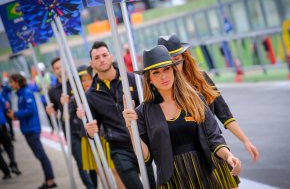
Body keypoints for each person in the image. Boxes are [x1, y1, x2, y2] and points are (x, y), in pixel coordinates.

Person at [122, 45, 241, 188]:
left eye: (166, 69)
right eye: (156, 73)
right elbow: (146, 157)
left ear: (173, 70)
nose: (163, 76)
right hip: (173, 179)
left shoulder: (194, 98)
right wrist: (130, 125)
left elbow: (213, 136)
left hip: (207, 169)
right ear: (149, 79)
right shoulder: (143, 112)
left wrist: (229, 156)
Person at [159, 34, 260, 187]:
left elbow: (223, 112)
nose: (175, 66)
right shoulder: (162, 89)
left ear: (185, 57)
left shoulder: (201, 78)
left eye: (177, 60)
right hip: (183, 159)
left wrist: (245, 140)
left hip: (214, 148)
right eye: (169, 63)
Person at [78, 41, 156, 189]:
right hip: (119, 149)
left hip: (142, 143)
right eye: (97, 57)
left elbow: (149, 108)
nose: (101, 59)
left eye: (104, 55)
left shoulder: (131, 79)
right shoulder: (91, 95)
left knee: (153, 185)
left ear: (111, 57)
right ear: (91, 63)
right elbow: (92, 125)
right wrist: (90, 131)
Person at [6, 73, 57, 189]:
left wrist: (16, 114)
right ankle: (48, 179)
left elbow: (30, 110)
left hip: (32, 129)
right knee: (39, 155)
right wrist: (16, 116)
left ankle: (50, 180)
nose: (10, 85)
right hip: (28, 129)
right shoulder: (21, 93)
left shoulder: (26, 93)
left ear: (17, 82)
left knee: (41, 155)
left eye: (11, 82)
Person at [59, 65, 98, 189]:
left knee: (95, 166)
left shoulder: (98, 92)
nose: (86, 82)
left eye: (88, 79)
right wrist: (64, 105)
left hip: (96, 134)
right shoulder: (75, 98)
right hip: (80, 135)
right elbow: (66, 119)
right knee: (85, 164)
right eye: (83, 80)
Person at [46, 57, 72, 135]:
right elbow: (55, 113)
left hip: (84, 121)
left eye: (62, 66)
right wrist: (50, 111)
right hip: (68, 125)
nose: (60, 70)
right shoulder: (52, 91)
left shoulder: (77, 82)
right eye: (57, 68)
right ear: (54, 72)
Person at [0, 92, 21, 177]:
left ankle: (6, 171)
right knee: (8, 145)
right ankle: (13, 164)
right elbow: (6, 105)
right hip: (1, 124)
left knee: (8, 145)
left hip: (1, 124)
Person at [34, 62, 57, 133]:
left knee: (54, 112)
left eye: (41, 71)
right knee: (48, 114)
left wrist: (50, 85)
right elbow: (34, 88)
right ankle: (52, 127)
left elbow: (55, 82)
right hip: (43, 99)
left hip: (51, 98)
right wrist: (39, 89)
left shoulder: (49, 75)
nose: (41, 72)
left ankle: (57, 126)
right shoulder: (36, 78)